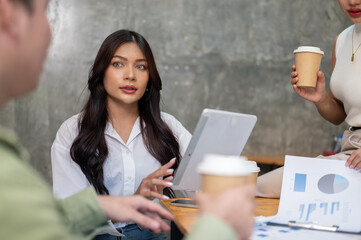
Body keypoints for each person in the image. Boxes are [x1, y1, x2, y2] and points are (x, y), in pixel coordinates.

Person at [51, 29, 192, 239]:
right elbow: (71, 216)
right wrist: (135, 199)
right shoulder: (72, 133)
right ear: (101, 72)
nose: (130, 75)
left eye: (141, 66)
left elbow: (204, 185)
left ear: (149, 77)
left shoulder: (168, 127)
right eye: (118, 64)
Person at [257, 0, 361, 198]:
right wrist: (320, 98)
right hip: (351, 155)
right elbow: (339, 114)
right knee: (260, 188)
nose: (353, 1)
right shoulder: (342, 40)